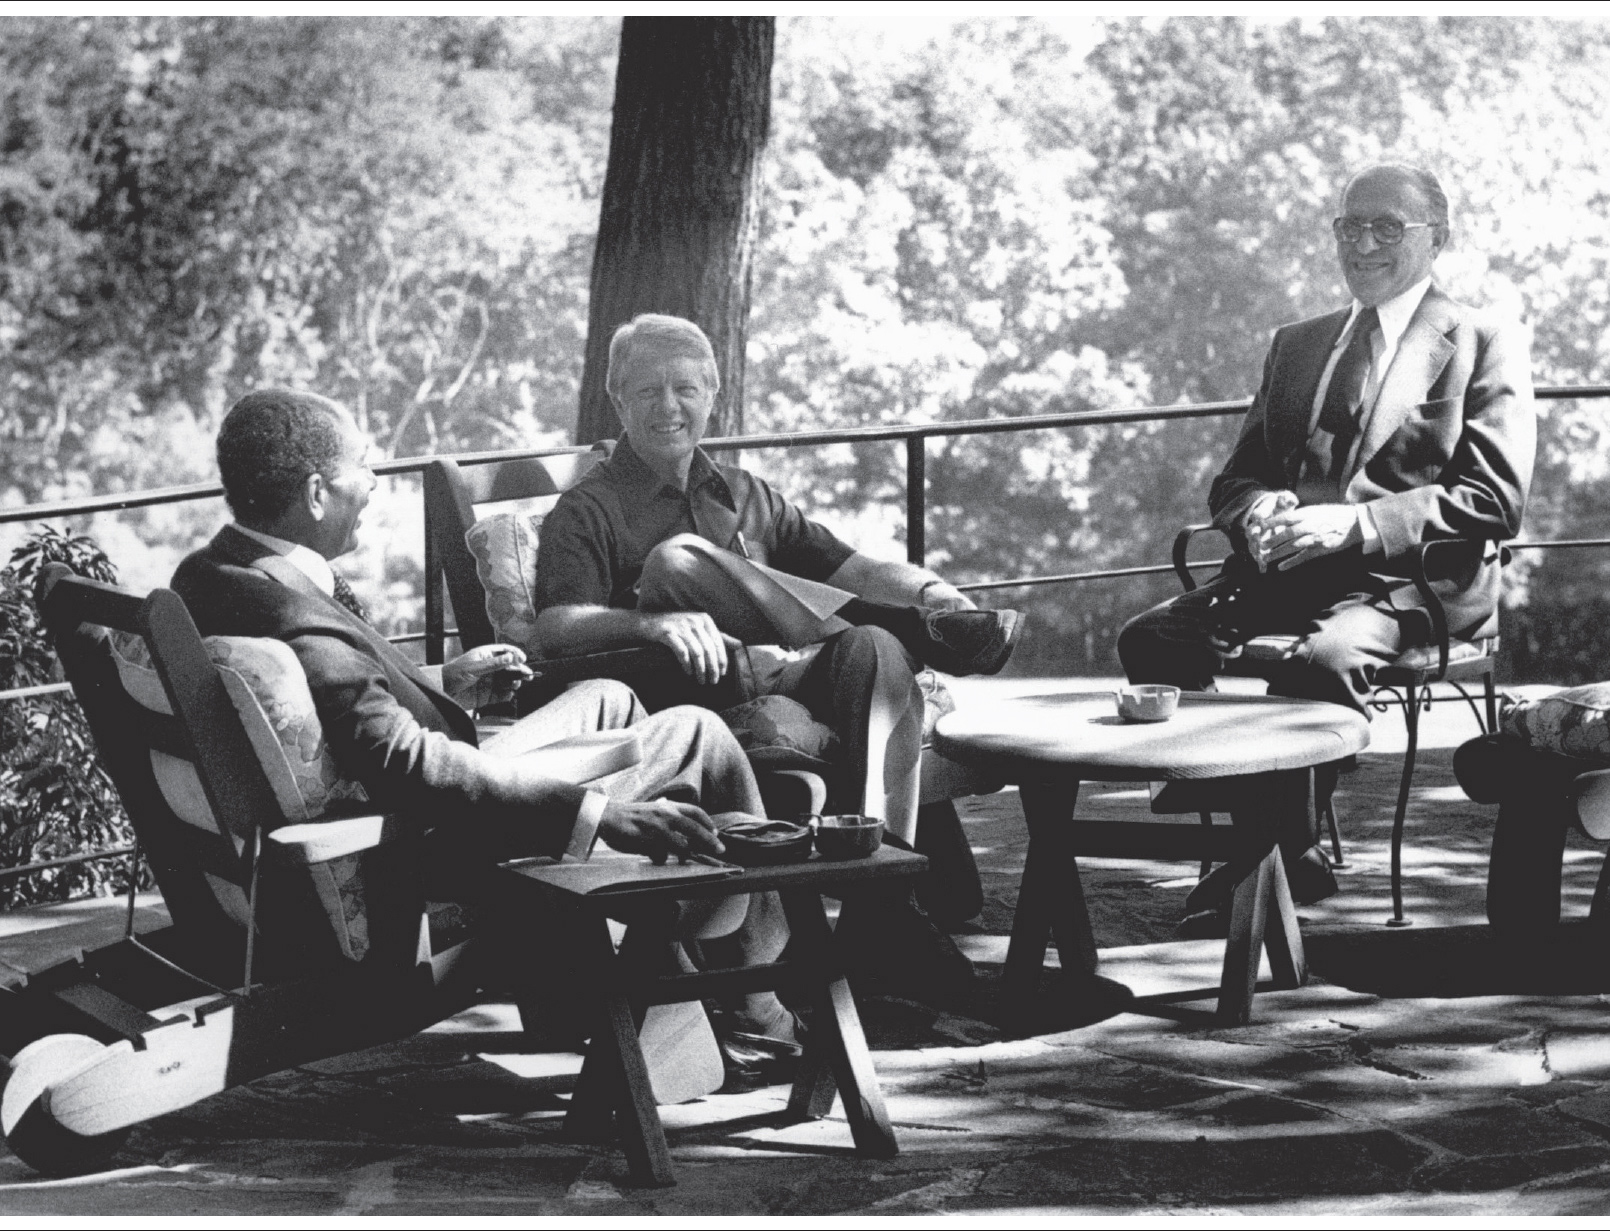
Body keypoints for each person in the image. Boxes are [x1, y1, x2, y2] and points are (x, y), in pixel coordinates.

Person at [172, 387, 798, 1068]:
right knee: (698, 734)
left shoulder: (212, 573)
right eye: (362, 467)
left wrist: (443, 680)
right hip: (429, 840)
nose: (375, 482)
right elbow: (405, 763)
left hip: (409, 798)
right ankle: (756, 1000)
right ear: (318, 493)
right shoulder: (291, 609)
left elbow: (343, 708)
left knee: (610, 697)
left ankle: (668, 969)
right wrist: (599, 816)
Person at [531, 313, 1024, 986]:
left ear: (711, 393)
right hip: (694, 697)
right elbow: (555, 625)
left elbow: (854, 568)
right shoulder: (587, 510)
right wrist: (647, 625)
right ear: (617, 399)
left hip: (791, 676)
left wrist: (938, 597)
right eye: (647, 391)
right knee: (677, 561)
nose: (668, 406)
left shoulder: (744, 492)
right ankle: (893, 633)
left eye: (684, 387)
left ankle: (883, 898)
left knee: (877, 645)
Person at [1117, 162, 1535, 911]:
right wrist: (1258, 513)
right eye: (1350, 225)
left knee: (1323, 660)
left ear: (1438, 238)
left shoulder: (1482, 338)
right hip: (1285, 573)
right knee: (1153, 640)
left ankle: (1272, 857)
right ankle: (1263, 834)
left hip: (1408, 581)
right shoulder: (1297, 344)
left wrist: (1358, 524)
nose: (1364, 243)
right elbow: (1232, 482)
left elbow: (1494, 500)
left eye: (1387, 227)